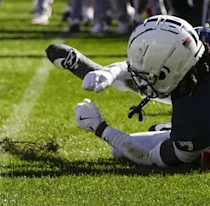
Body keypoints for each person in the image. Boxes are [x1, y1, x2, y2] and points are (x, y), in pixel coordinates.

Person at [62, 15, 210, 168]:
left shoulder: (196, 117)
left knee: (120, 150)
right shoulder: (195, 41)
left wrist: (100, 128)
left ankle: (185, 140)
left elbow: (149, 156)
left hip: (201, 126)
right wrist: (111, 73)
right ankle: (173, 131)